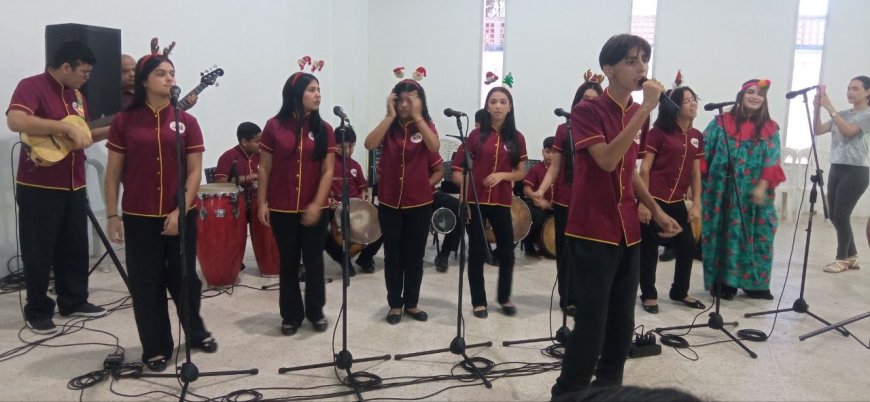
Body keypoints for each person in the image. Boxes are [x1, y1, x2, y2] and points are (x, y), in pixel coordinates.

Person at [551, 34, 682, 397]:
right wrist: (645, 109)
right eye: (631, 60)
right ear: (608, 69)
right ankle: (567, 393)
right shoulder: (588, 110)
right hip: (593, 230)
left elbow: (628, 172)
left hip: (628, 230)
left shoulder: (634, 114)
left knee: (622, 325)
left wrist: (655, 211)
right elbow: (607, 160)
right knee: (591, 324)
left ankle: (609, 391)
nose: (641, 68)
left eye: (644, 59)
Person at [104, 52, 216, 372]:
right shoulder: (124, 121)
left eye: (172, 73)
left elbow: (194, 171)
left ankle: (195, 332)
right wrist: (112, 214)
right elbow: (112, 173)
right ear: (144, 81)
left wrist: (181, 211)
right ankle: (155, 346)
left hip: (182, 212)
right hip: (139, 216)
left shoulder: (187, 122)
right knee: (146, 282)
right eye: (161, 74)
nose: (169, 79)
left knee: (184, 279)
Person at [6, 41, 109, 335]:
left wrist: (117, 128)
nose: (87, 78)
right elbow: (16, 120)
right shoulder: (32, 85)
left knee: (75, 245)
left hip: (74, 182)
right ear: (66, 67)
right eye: (84, 72)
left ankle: (73, 300)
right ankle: (37, 309)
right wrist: (62, 128)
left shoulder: (76, 95)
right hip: (39, 183)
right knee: (39, 250)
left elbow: (84, 133)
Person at [257, 72, 335, 335]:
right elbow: (264, 168)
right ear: (296, 94)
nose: (318, 94)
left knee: (314, 261)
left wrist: (317, 203)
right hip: (282, 207)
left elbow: (327, 171)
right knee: (288, 262)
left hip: (316, 209)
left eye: (319, 89)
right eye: (312, 89)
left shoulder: (325, 130)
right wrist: (261, 202)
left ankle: (315, 311)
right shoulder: (273, 126)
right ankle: (290, 314)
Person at [701, 79, 785, 300]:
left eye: (760, 94)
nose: (756, 96)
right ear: (741, 95)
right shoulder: (720, 122)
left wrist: (762, 186)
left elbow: (772, 159)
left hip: (756, 193)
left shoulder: (770, 128)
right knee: (723, 234)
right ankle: (724, 282)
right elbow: (704, 151)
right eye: (751, 92)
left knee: (761, 235)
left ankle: (755, 284)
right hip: (721, 191)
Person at [364, 79, 440, 325]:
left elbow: (434, 146)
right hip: (389, 203)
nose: (406, 104)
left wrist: (418, 118)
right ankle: (395, 304)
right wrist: (389, 115)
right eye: (401, 99)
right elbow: (369, 144)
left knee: (414, 256)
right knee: (393, 256)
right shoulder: (390, 127)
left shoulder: (426, 125)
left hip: (419, 203)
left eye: (411, 98)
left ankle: (413, 303)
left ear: (420, 101)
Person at [451, 86, 528, 319]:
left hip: (502, 202)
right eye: (493, 101)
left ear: (510, 106)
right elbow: (457, 169)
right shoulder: (475, 136)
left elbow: (521, 172)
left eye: (503, 101)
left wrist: (503, 175)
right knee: (476, 252)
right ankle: (479, 302)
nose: (497, 106)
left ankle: (504, 297)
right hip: (475, 201)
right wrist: (464, 198)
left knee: (507, 252)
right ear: (487, 106)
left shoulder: (517, 138)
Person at [532, 78, 603, 314]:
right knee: (566, 253)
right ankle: (568, 298)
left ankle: (587, 294)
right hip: (566, 200)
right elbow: (555, 167)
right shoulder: (565, 129)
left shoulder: (605, 129)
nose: (590, 104)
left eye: (595, 100)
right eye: (585, 100)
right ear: (577, 103)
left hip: (593, 200)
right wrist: (541, 190)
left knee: (590, 253)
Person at [637, 85, 706, 314]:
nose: (693, 103)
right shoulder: (658, 133)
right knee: (648, 249)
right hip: (653, 197)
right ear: (674, 106)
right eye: (687, 100)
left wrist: (697, 203)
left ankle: (679, 290)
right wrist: (644, 204)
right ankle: (648, 294)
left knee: (687, 244)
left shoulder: (697, 137)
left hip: (676, 201)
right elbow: (645, 169)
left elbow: (696, 173)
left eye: (693, 99)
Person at [813, 76, 870, 273]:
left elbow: (848, 132)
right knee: (835, 215)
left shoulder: (867, 114)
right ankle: (852, 256)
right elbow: (818, 130)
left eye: (855, 89)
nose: (850, 92)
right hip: (837, 167)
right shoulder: (843, 113)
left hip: (856, 170)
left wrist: (830, 108)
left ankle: (841, 258)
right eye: (848, 88)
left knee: (841, 214)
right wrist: (817, 107)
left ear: (868, 92)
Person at [324, 124, 381, 276]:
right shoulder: (326, 163)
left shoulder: (355, 165)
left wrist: (365, 200)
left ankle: (364, 258)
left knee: (384, 219)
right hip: (334, 208)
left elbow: (362, 189)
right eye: (343, 147)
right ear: (333, 145)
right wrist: (327, 200)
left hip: (355, 208)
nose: (348, 151)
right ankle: (344, 259)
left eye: (352, 147)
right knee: (319, 228)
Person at [522, 136, 556, 256]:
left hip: (556, 207)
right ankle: (529, 242)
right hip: (539, 207)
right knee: (535, 216)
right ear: (543, 152)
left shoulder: (562, 171)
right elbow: (526, 190)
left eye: (554, 152)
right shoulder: (535, 170)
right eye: (548, 152)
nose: (551, 155)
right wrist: (535, 197)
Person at [215, 122, 261, 188]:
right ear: (244, 142)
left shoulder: (261, 155)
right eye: (257, 141)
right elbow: (219, 182)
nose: (261, 144)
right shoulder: (228, 156)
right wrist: (248, 178)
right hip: (238, 197)